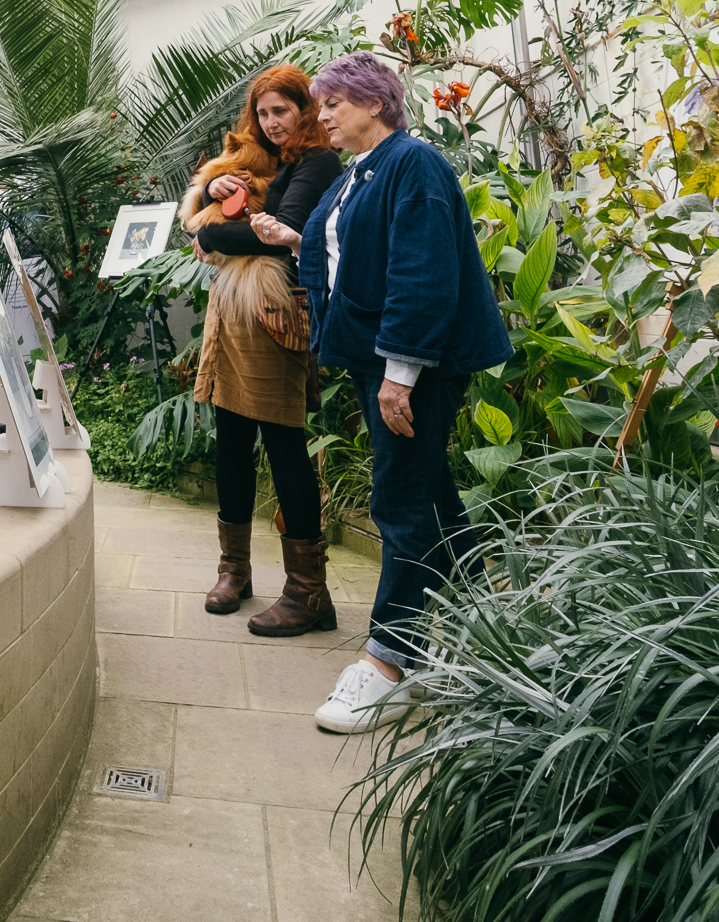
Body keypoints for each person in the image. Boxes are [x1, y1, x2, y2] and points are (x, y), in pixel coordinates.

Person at [295, 54, 510, 733]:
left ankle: (390, 661)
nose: (322, 113)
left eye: (334, 101)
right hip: (376, 361)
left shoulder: (412, 163)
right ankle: (494, 626)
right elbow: (339, 254)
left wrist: (401, 371)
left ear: (377, 101)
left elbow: (421, 271)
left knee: (402, 500)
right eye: (319, 103)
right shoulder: (361, 175)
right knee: (433, 497)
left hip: (409, 365)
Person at [180, 64, 343, 636]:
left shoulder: (317, 161)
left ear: (305, 109)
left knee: (283, 444)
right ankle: (235, 570)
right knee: (230, 443)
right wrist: (211, 190)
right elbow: (208, 202)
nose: (273, 123)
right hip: (232, 313)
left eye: (283, 111)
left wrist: (209, 234)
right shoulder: (262, 158)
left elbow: (274, 231)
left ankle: (308, 592)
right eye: (264, 112)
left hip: (274, 315)